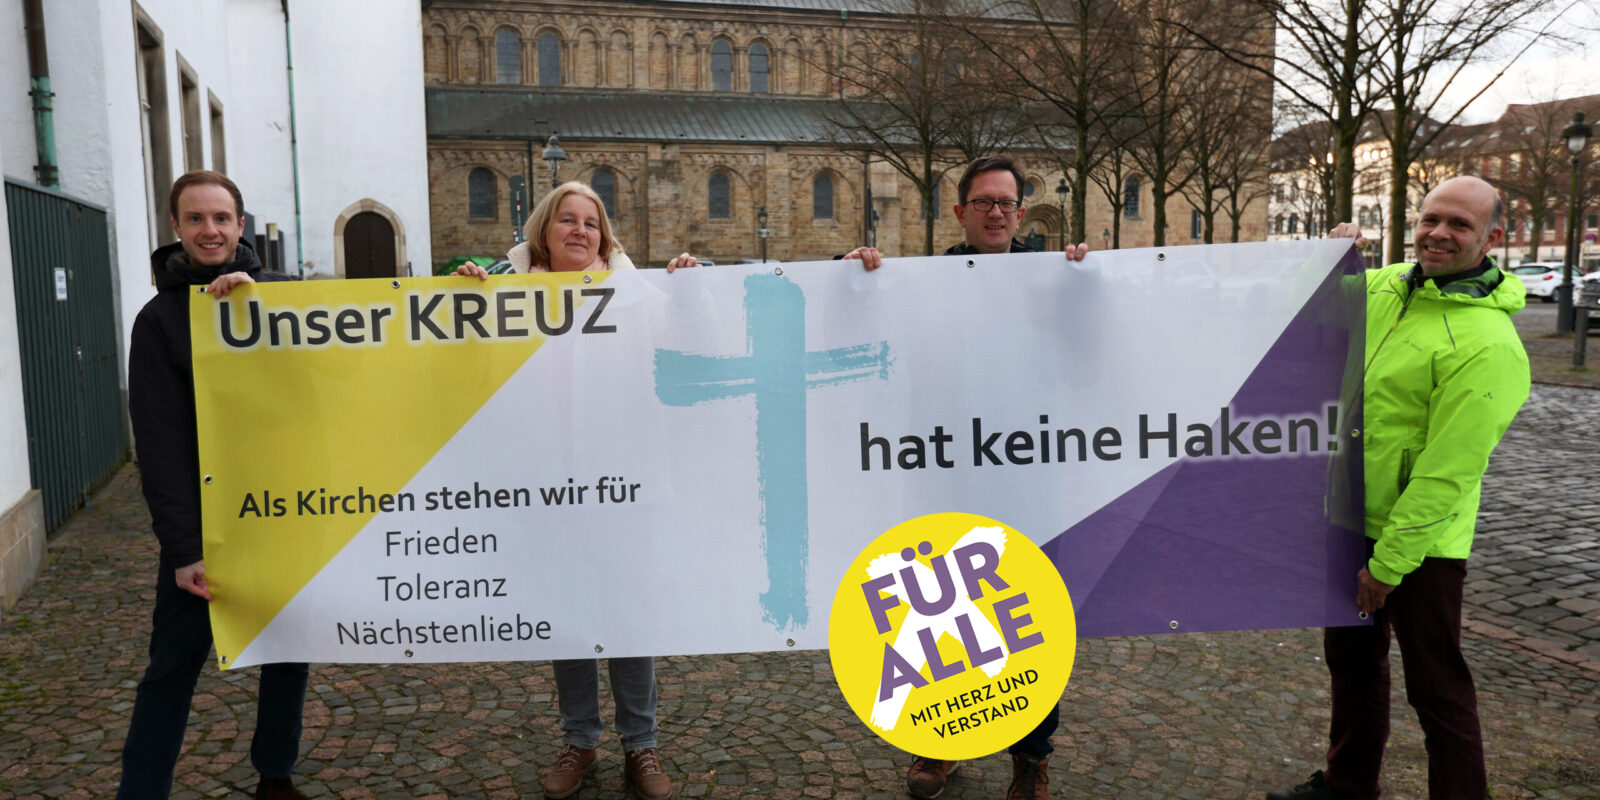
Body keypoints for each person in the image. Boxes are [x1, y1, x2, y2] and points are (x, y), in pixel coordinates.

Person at [1267, 175, 1531, 800]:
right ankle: (1347, 784)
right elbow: (1296, 311)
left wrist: (1388, 565)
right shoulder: (1387, 287)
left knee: (1436, 687)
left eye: (1459, 225)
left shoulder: (1490, 345)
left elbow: (1449, 473)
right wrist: (1325, 261)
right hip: (1350, 518)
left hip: (1421, 545)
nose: (1439, 233)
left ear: (1493, 238)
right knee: (1353, 666)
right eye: (1431, 219)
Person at [849, 155, 1087, 800]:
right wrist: (851, 282)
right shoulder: (921, 281)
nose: (997, 213)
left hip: (1031, 477)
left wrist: (1095, 280)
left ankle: (1031, 756)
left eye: (1008, 203)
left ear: (1021, 210)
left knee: (1029, 625)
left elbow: (1093, 343)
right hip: (946, 475)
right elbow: (865, 340)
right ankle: (939, 743)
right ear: (959, 212)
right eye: (984, 202)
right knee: (940, 617)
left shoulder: (1051, 276)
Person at [456, 181, 681, 800]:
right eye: (567, 220)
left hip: (623, 484)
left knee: (628, 617)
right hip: (547, 486)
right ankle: (580, 740)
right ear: (543, 232)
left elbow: (687, 337)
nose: (580, 230)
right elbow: (468, 367)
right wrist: (463, 300)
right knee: (570, 618)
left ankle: (643, 746)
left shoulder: (636, 296)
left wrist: (692, 288)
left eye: (592, 222)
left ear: (604, 236)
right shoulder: (505, 292)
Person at [121, 170, 309, 800]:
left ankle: (275, 776)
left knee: (286, 652)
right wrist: (184, 549)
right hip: (207, 528)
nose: (210, 230)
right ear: (176, 227)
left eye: (221, 218)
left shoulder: (283, 295)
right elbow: (160, 446)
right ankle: (141, 790)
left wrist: (460, 288)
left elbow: (345, 367)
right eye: (196, 219)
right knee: (171, 668)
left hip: (284, 515)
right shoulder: (159, 320)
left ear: (240, 224)